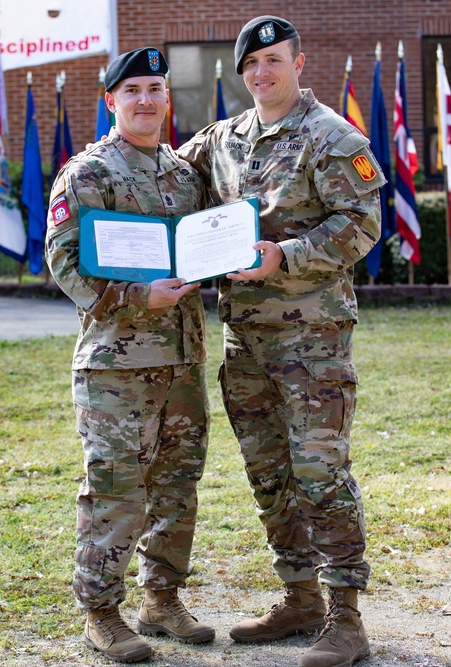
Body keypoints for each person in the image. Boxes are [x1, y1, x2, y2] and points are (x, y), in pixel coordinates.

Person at [177, 16, 384, 667]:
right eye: (251, 65)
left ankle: (345, 616)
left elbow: (363, 224)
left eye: (273, 59)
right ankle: (298, 596)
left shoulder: (332, 137)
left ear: (299, 62)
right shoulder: (224, 140)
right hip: (247, 345)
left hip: (314, 344)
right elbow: (164, 177)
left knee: (321, 475)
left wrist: (286, 254)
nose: (261, 73)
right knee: (269, 474)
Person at [45, 47, 214, 663]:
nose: (145, 100)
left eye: (156, 88)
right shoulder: (89, 173)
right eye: (132, 90)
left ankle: (162, 599)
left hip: (183, 358)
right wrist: (139, 296)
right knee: (116, 487)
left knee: (177, 484)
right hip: (116, 363)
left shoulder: (183, 173)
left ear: (168, 98)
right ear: (110, 100)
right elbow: (65, 263)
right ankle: (102, 612)